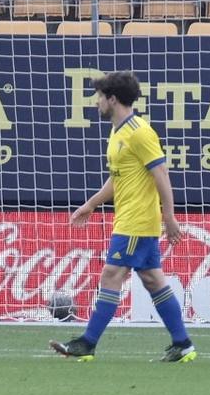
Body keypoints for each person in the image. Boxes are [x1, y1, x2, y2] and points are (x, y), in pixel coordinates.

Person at [50, 71, 196, 363]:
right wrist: (91, 204)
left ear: (112, 99)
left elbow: (161, 174)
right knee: (153, 280)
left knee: (112, 275)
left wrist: (169, 217)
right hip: (130, 219)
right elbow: (118, 180)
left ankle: (87, 343)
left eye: (100, 98)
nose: (97, 103)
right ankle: (183, 344)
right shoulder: (118, 132)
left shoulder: (140, 132)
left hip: (137, 221)